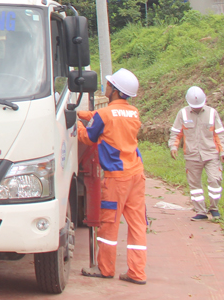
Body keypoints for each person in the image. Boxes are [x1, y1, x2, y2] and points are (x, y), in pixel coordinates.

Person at [77, 68, 148, 285]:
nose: (106, 87)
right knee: (137, 225)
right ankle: (137, 273)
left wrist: (77, 123)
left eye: (109, 85)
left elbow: (89, 137)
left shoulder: (105, 115)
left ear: (114, 91)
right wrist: (88, 116)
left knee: (109, 223)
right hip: (136, 174)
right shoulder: (134, 113)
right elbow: (109, 119)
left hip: (117, 178)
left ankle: (105, 268)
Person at [168, 86, 224, 221]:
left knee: (215, 180)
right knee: (195, 185)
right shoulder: (183, 113)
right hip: (192, 155)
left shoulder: (212, 113)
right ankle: (200, 211)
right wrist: (173, 146)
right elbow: (176, 132)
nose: (196, 108)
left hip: (211, 154)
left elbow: (219, 133)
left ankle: (214, 208)